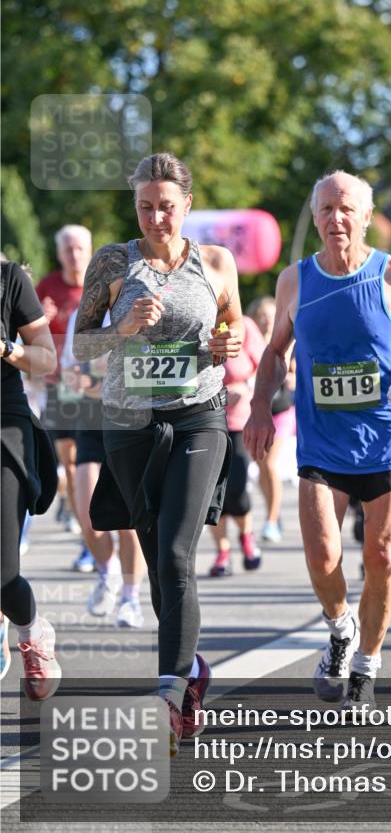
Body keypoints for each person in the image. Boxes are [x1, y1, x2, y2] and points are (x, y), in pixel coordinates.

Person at [244, 170, 391, 707]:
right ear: (315, 218)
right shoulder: (295, 280)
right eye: (326, 210)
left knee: (382, 557)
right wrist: (260, 407)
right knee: (321, 556)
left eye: (347, 209)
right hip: (321, 438)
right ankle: (341, 629)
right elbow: (274, 352)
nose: (336, 218)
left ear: (365, 217)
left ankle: (366, 665)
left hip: (384, 435)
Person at [73, 152, 243, 756]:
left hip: (199, 416)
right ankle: (190, 671)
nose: (156, 218)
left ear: (187, 206)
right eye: (145, 207)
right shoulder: (112, 263)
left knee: (175, 552)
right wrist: (121, 330)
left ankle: (169, 694)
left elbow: (231, 326)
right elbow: (79, 347)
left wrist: (228, 342)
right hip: (130, 425)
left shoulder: (216, 262)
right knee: (159, 561)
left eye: (166, 207)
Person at [61, 308, 146, 626]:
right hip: (92, 419)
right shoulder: (82, 314)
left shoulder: (143, 306)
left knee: (129, 523)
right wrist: (82, 381)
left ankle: (131, 598)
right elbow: (68, 369)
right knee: (88, 518)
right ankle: (107, 572)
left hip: (132, 419)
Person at [1, 260, 61, 699]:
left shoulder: (9, 280)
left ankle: (32, 631)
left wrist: (6, 348)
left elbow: (45, 358)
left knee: (2, 573)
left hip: (4, 430)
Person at [36, 226, 93, 554]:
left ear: (90, 250)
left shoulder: (101, 284)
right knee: (70, 462)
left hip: (96, 387)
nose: (75, 255)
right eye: (69, 249)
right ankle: (84, 529)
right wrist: (42, 321)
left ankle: (95, 528)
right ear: (60, 254)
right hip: (60, 386)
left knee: (95, 459)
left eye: (80, 248)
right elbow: (28, 334)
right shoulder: (47, 287)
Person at [207, 315, 265, 576]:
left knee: (237, 488)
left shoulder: (244, 325)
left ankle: (246, 535)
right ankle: (222, 552)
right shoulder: (194, 319)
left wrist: (244, 386)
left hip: (239, 421)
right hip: (204, 421)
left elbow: (266, 367)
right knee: (211, 491)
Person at [247, 296, 297, 543]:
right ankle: (272, 509)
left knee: (270, 464)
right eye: (262, 317)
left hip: (282, 411)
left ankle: (272, 519)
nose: (267, 321)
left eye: (270, 316)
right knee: (260, 466)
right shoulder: (248, 342)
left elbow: (297, 373)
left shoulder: (287, 340)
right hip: (257, 412)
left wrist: (290, 377)